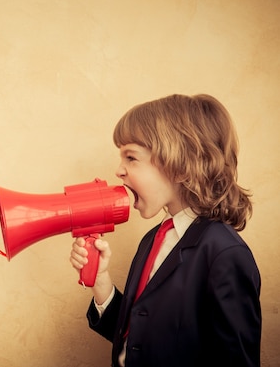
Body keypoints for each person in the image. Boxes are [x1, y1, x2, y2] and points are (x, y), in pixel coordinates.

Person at [69, 94, 261, 367]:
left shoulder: (224, 253)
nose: (118, 171)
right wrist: (101, 282)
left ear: (181, 166)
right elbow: (137, 341)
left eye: (131, 157)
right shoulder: (153, 239)